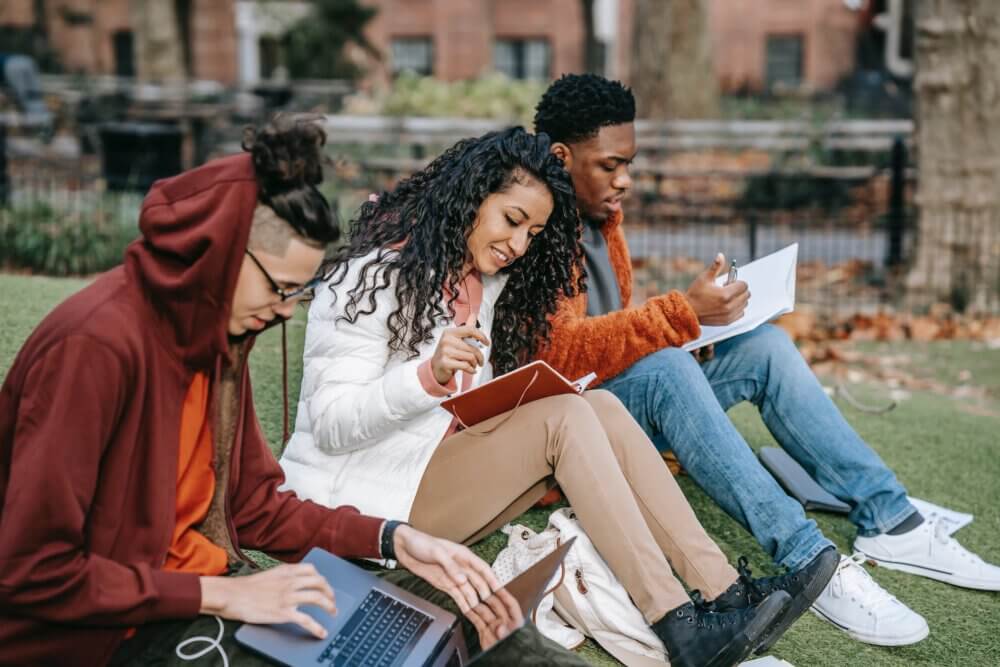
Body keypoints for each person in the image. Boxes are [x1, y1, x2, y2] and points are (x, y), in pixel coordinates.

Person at [0, 115, 554, 667]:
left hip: (202, 591)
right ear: (219, 252)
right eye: (281, 288)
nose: (287, 310)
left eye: (297, 291)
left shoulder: (216, 341)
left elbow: (254, 509)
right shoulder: (93, 348)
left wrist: (392, 539)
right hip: (111, 636)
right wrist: (219, 596)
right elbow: (31, 568)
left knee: (466, 616)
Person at [279, 126, 833, 667]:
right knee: (564, 417)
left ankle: (724, 592)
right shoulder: (371, 277)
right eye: (512, 220)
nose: (519, 245)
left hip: (419, 475)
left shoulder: (478, 283)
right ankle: (676, 623)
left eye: (534, 232)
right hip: (362, 510)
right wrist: (427, 376)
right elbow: (331, 424)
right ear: (469, 199)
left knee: (600, 406)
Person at [531, 73, 1000, 647]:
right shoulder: (533, 227)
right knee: (669, 372)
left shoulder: (602, 220)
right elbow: (555, 357)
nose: (625, 179)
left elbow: (608, 331)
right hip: (573, 434)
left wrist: (690, 329)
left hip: (621, 396)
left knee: (765, 348)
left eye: (629, 163)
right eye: (611, 165)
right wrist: (677, 316)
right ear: (562, 156)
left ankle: (890, 519)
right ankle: (808, 559)